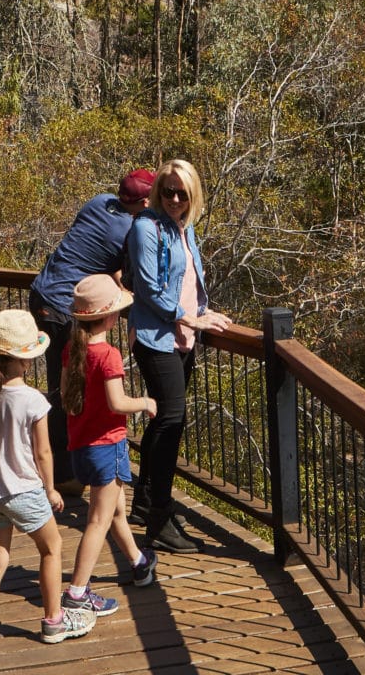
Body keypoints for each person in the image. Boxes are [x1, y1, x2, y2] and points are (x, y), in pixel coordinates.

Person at [0, 309, 96, 664]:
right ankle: (54, 620)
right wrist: (51, 489)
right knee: (52, 548)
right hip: (23, 490)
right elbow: (43, 452)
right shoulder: (33, 400)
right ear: (25, 359)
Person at [124, 158, 232, 555]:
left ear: (192, 195)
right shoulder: (146, 228)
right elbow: (150, 289)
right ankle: (159, 519)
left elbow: (187, 282)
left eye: (181, 193)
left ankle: (146, 503)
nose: (172, 198)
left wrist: (203, 314)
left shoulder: (184, 229)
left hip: (182, 336)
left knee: (164, 422)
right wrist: (190, 318)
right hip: (156, 337)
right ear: (157, 192)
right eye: (166, 191)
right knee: (171, 421)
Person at [28, 169, 155, 482]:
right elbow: (126, 276)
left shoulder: (98, 202)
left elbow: (91, 251)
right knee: (67, 390)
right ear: (145, 200)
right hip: (64, 307)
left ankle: (67, 466)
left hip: (41, 293)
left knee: (64, 386)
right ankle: (66, 473)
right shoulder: (132, 230)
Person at [60, 274, 158, 615]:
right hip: (108, 446)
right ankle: (76, 592)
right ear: (111, 316)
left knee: (114, 510)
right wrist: (145, 402)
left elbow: (64, 395)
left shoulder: (72, 349)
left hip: (81, 445)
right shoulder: (109, 355)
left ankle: (138, 563)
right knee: (98, 520)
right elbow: (118, 403)